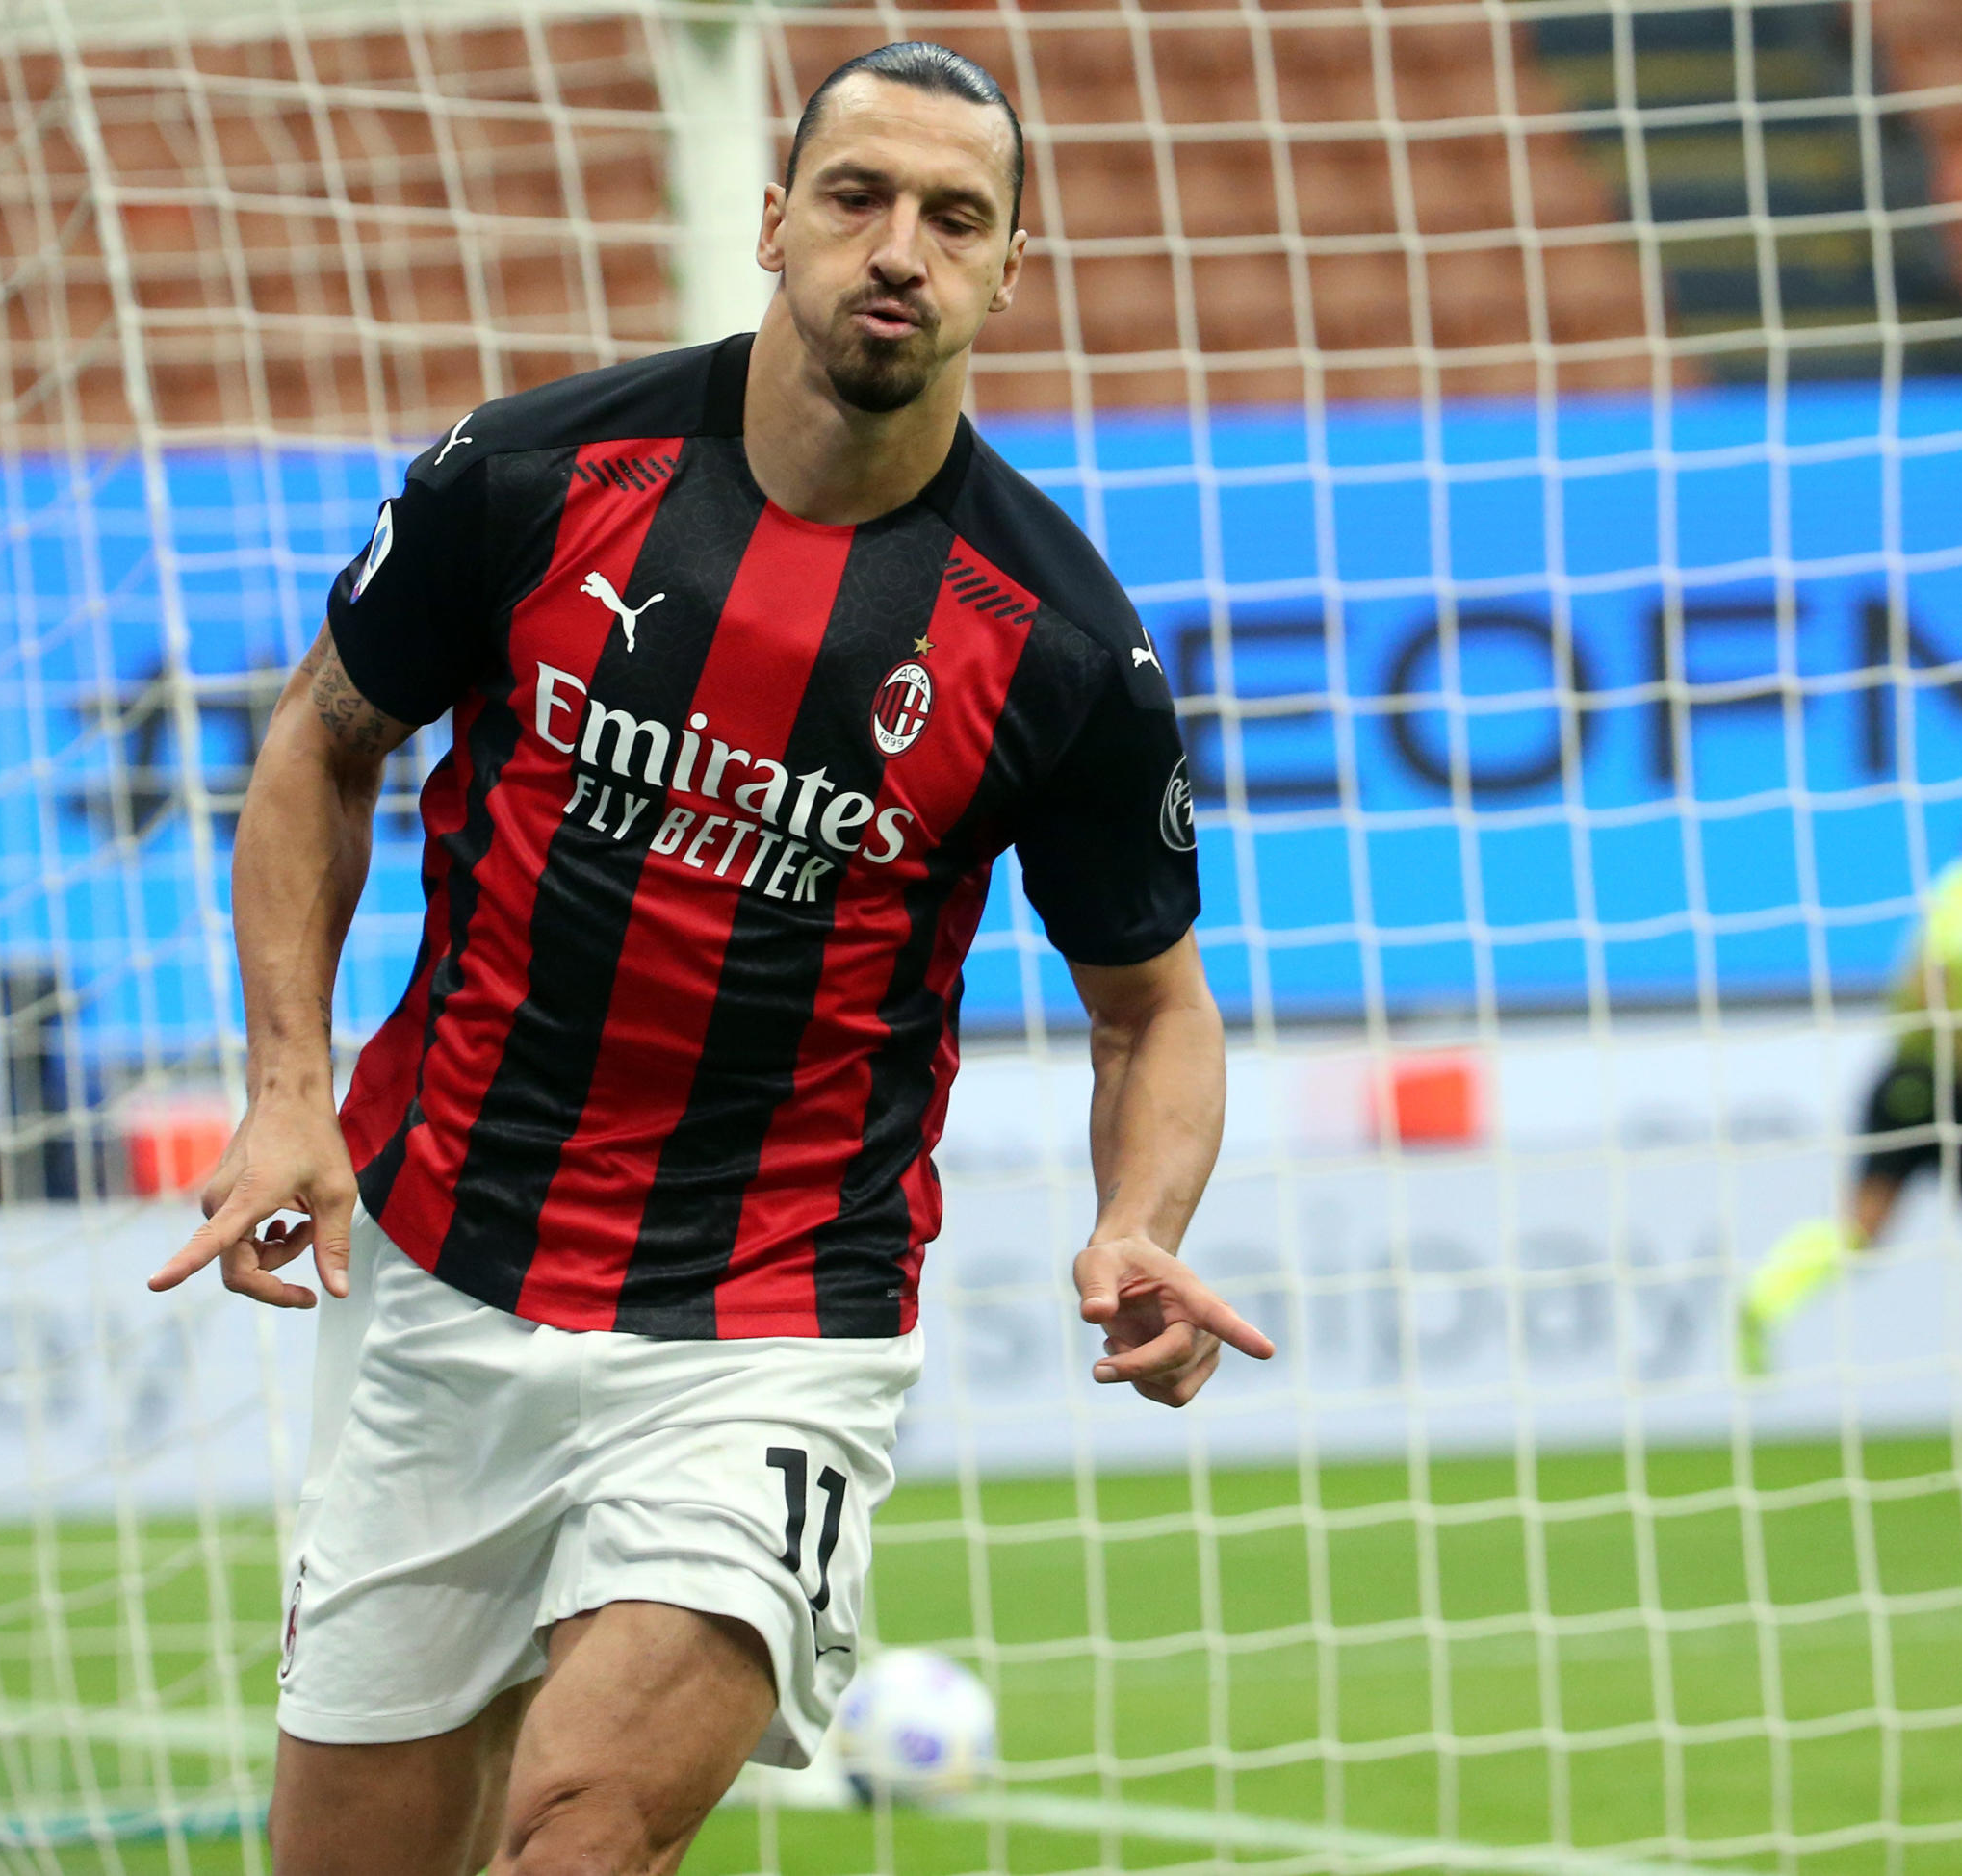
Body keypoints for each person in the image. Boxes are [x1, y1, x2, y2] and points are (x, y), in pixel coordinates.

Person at [147, 43, 1275, 1874]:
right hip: (442, 1266)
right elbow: (319, 741)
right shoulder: (527, 475)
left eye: (955, 218)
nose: (897, 248)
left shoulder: (1059, 645)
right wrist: (288, 1091)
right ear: (772, 222)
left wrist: (1138, 1218)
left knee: (583, 1825)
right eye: (857, 197)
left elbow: (1152, 1009)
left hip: (774, 1316)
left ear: (1009, 272)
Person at [1740, 815, 1962, 1425]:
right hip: (1924, 1080)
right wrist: (1955, 1053)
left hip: (1927, 1077)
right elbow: (1929, 979)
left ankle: (1764, 1296)